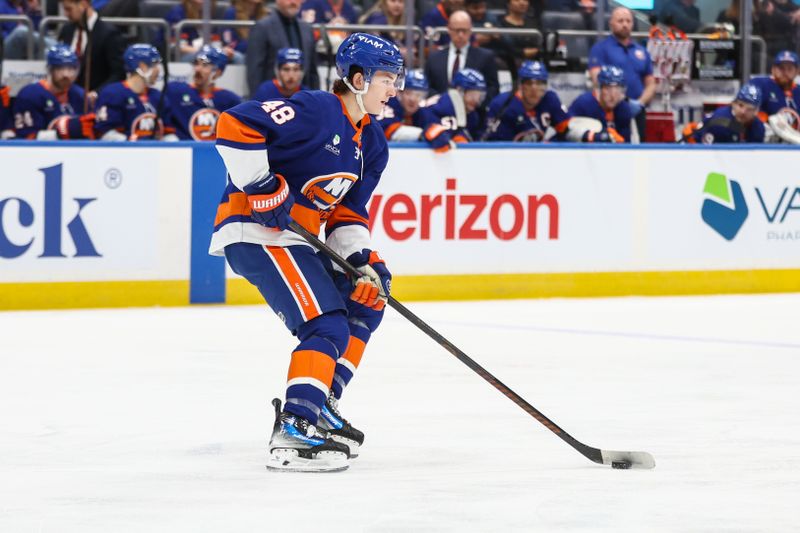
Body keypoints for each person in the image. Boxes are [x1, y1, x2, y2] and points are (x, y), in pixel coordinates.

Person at [210, 32, 404, 472]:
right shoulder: (317, 109)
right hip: (258, 232)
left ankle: (319, 403)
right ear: (358, 78)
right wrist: (260, 185)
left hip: (298, 238)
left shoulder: (372, 144)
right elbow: (233, 125)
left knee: (368, 299)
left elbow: (346, 213)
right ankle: (295, 427)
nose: (394, 90)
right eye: (387, 79)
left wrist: (364, 262)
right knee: (326, 325)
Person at [485, 60, 602, 142]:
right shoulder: (503, 104)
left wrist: (590, 136)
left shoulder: (549, 100)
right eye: (529, 83)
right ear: (520, 85)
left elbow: (566, 129)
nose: (534, 89)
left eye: (540, 83)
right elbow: (497, 144)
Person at [588, 6, 654, 140]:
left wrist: (640, 103)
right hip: (611, 109)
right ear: (611, 23)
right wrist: (620, 100)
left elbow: (651, 83)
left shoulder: (642, 51)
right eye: (620, 21)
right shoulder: (600, 48)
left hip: (638, 110)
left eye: (628, 21)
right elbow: (596, 78)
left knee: (639, 148)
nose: (625, 25)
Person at [12, 44, 95, 140]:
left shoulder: (80, 95)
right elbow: (27, 137)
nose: (66, 74)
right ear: (50, 69)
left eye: (71, 69)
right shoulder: (29, 95)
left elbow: (92, 135)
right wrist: (60, 133)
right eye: (60, 68)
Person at [94, 44, 175, 141]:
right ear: (142, 66)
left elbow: (167, 133)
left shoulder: (158, 97)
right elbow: (105, 134)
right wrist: (134, 144)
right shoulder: (113, 93)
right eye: (155, 64)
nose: (158, 70)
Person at [165, 45, 242, 141]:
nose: (197, 69)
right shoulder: (175, 92)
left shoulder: (230, 100)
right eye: (196, 64)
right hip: (184, 153)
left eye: (205, 65)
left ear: (218, 72)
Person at [424, 10, 499, 104]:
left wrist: (474, 100)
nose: (460, 35)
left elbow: (493, 89)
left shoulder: (485, 57)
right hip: (440, 112)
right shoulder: (434, 58)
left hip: (474, 113)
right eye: (457, 30)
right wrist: (443, 100)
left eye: (464, 30)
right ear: (449, 29)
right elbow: (426, 87)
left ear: (471, 30)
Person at [246, 0, 319, 95]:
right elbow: (255, 71)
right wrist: (258, 102)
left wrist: (316, 99)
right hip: (271, 99)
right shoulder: (262, 27)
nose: (293, 2)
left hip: (303, 100)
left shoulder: (307, 29)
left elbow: (312, 71)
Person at [57, 0, 126, 92]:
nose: (66, 14)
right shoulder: (66, 30)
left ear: (83, 4)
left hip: (96, 99)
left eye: (69, 9)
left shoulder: (110, 34)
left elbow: (119, 74)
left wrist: (97, 93)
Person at [377, 69, 452, 151]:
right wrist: (422, 134)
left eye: (419, 95)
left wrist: (443, 135)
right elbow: (390, 132)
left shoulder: (422, 112)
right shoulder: (387, 104)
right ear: (399, 93)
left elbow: (439, 130)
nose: (413, 99)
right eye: (408, 93)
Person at [569, 65, 634, 143]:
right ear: (599, 89)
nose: (613, 95)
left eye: (618, 89)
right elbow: (566, 131)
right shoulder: (584, 104)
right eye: (608, 88)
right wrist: (592, 136)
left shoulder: (624, 109)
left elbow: (626, 143)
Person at [684, 84, 765, 144]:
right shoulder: (720, 122)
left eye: (749, 109)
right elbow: (707, 155)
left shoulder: (758, 128)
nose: (743, 111)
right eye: (740, 105)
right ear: (733, 104)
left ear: (756, 111)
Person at [749, 50, 800, 144]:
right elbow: (746, 110)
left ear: (797, 71)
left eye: (789, 68)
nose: (785, 72)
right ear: (773, 69)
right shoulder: (760, 85)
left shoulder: (798, 91)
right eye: (781, 68)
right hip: (764, 143)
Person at [426, 67, 487, 142]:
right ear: (459, 91)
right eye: (473, 95)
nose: (477, 100)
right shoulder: (436, 110)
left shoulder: (473, 116)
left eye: (480, 96)